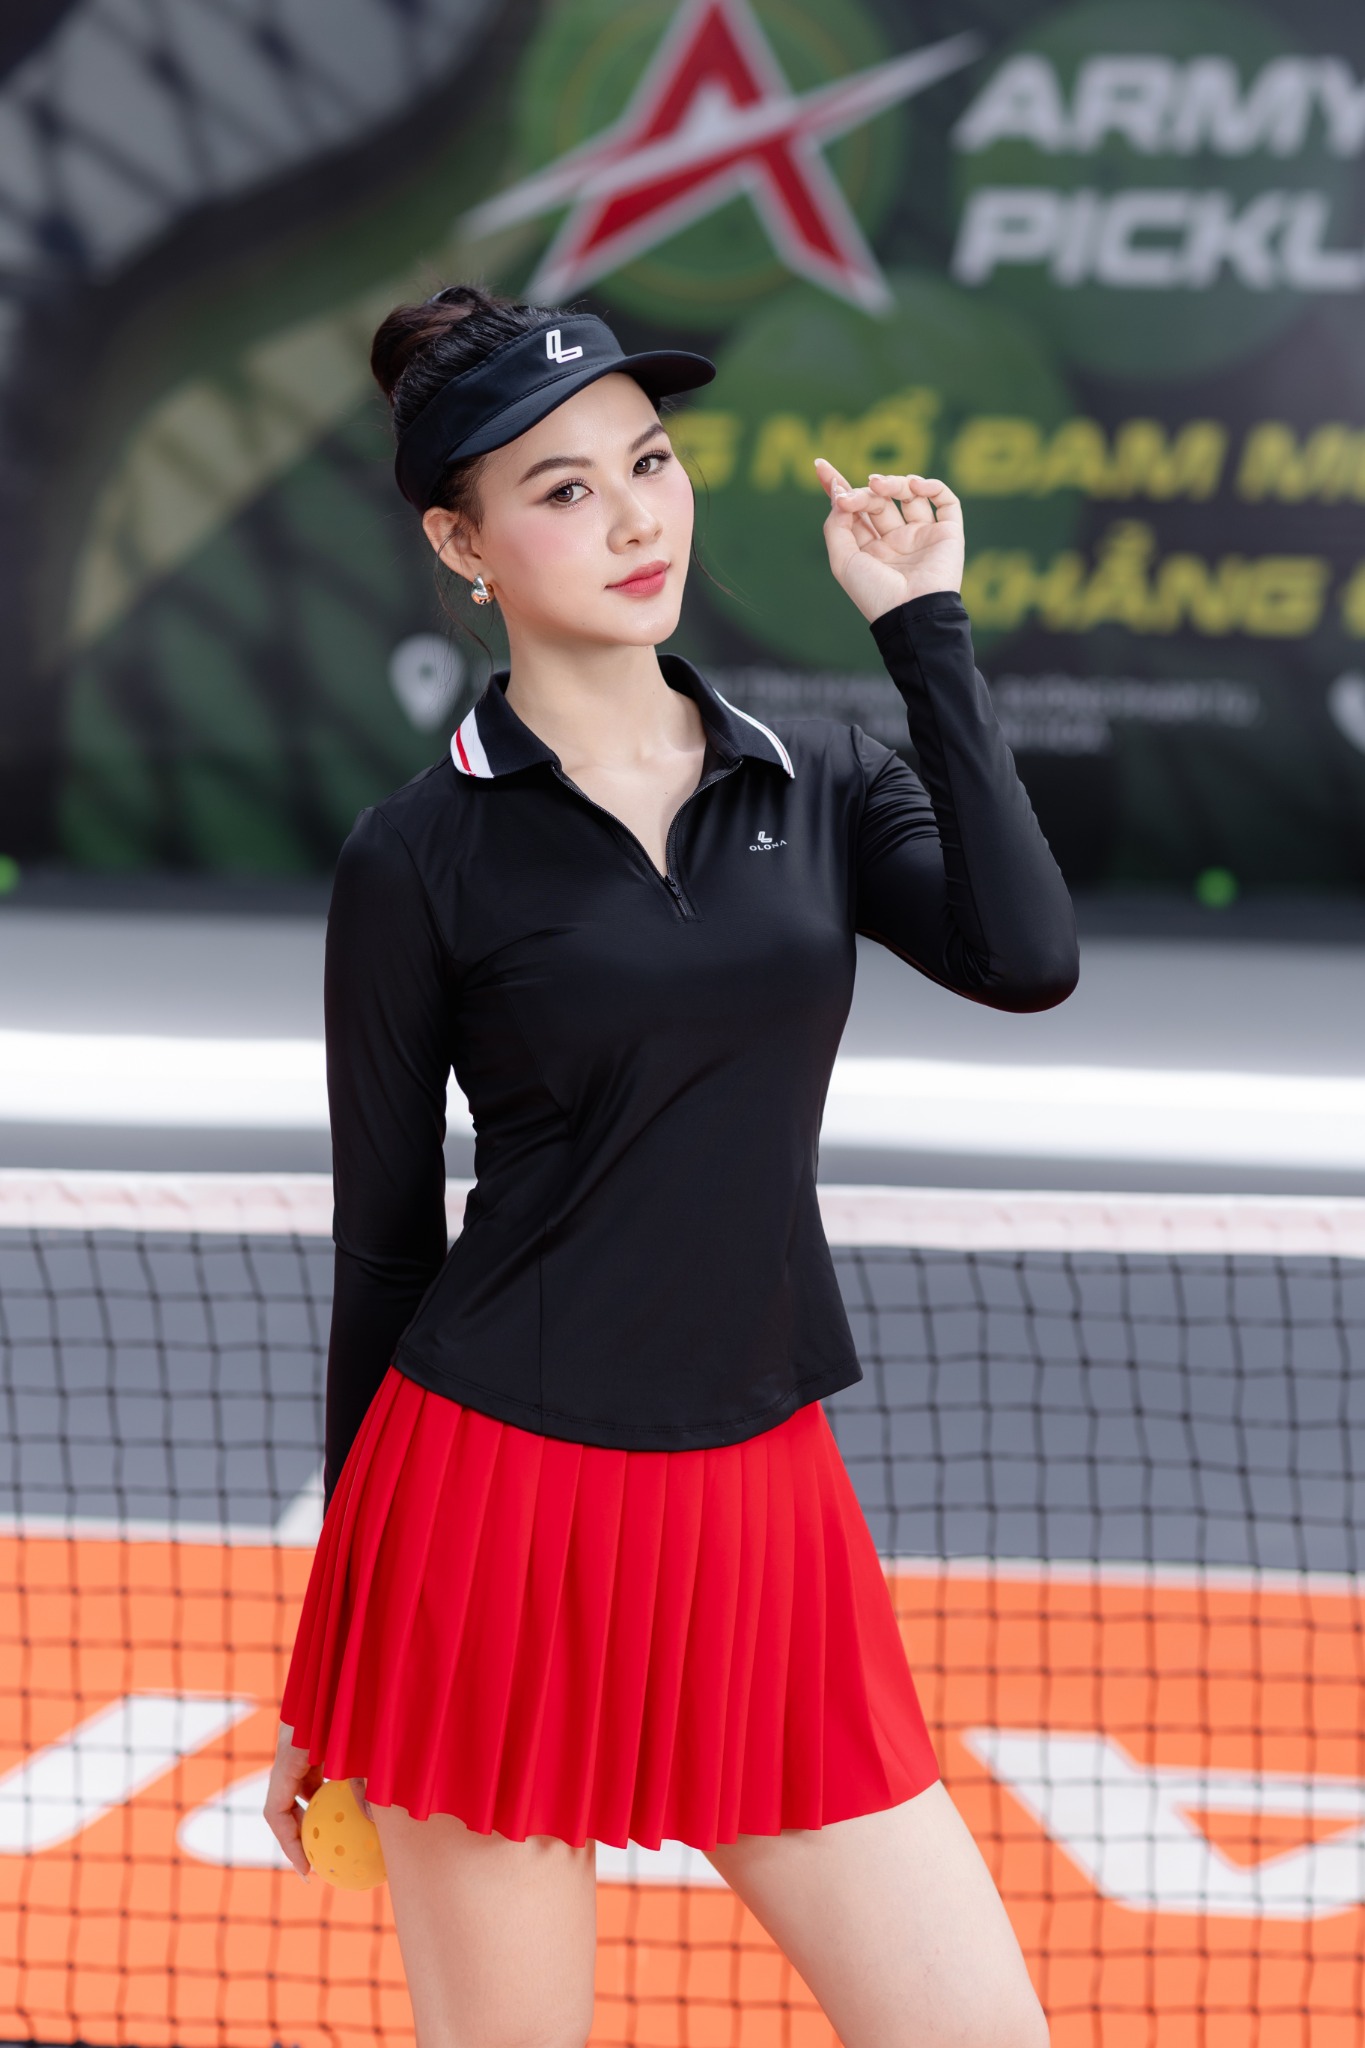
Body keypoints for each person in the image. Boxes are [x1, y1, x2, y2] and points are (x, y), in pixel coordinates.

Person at [264, 282, 1077, 2048]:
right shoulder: (416, 857)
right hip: (484, 1519)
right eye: (562, 489)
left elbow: (1025, 959)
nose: (636, 517)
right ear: (460, 544)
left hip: (762, 1510)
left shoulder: (822, 779)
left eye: (647, 461)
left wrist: (922, 629)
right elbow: (383, 1246)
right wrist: (334, 1653)